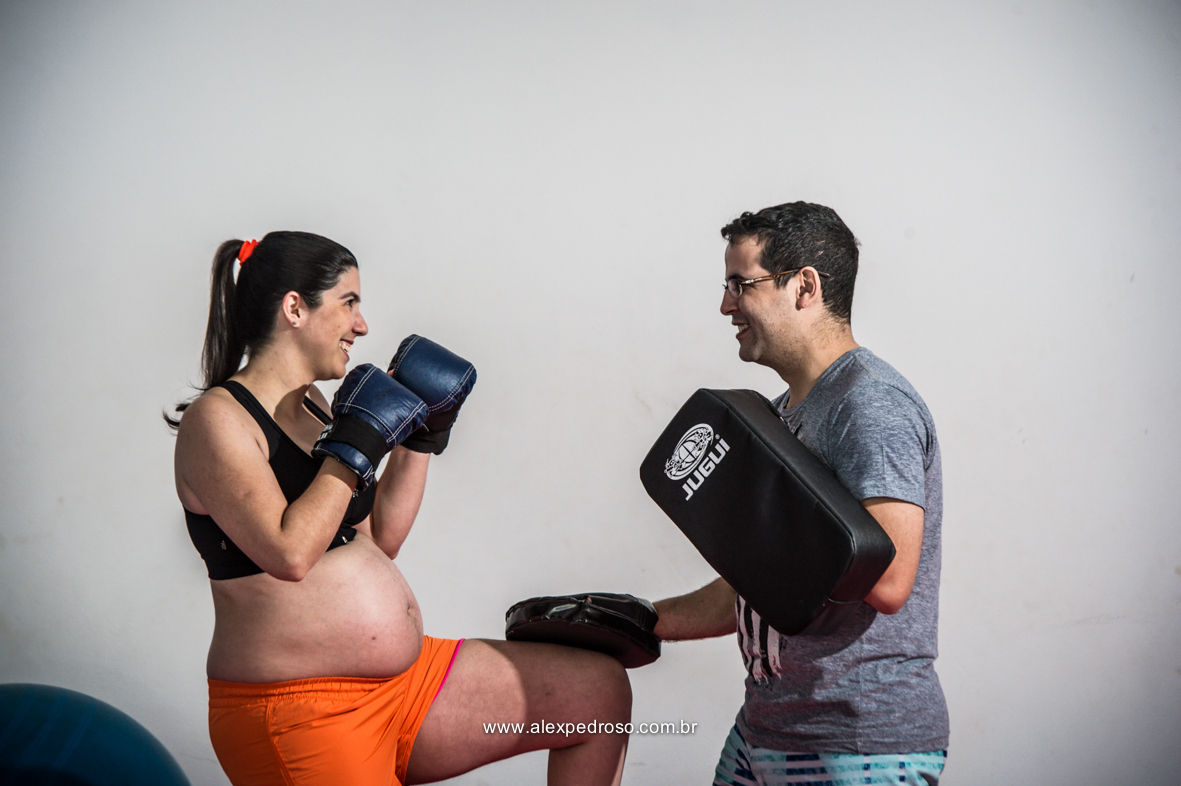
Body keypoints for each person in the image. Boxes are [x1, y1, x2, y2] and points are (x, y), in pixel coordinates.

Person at [168, 231, 630, 786]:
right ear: (294, 308)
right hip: (301, 711)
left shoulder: (314, 404)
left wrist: (420, 436)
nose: (361, 326)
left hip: (404, 688)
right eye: (348, 303)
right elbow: (289, 554)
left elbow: (378, 538)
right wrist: (356, 445)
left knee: (596, 694)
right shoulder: (217, 421)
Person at [652, 203, 949, 785]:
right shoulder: (784, 414)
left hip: (858, 748)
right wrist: (638, 621)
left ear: (804, 286)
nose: (726, 306)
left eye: (741, 284)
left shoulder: (869, 405)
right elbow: (766, 583)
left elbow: (889, 580)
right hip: (764, 731)